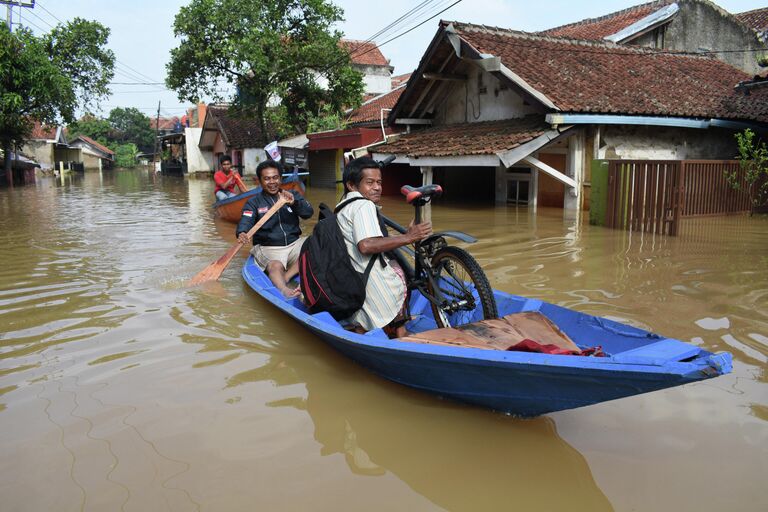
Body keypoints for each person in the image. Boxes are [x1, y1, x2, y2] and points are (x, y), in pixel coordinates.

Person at [337, 157, 432, 338]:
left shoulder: (343, 206)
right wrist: (408, 237)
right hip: (369, 281)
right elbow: (366, 245)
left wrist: (405, 236)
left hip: (353, 276)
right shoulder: (362, 205)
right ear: (351, 185)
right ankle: (400, 332)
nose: (377, 187)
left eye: (379, 182)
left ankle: (380, 329)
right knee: (397, 270)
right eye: (370, 183)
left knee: (395, 265)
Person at [237, 160, 314, 298]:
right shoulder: (253, 202)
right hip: (269, 248)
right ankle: (285, 291)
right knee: (275, 266)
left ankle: (286, 276)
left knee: (316, 244)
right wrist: (242, 232)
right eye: (267, 178)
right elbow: (245, 220)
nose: (272, 182)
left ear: (280, 178)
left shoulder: (292, 195)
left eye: (275, 177)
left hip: (294, 244)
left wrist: (294, 203)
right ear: (259, 181)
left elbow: (308, 213)